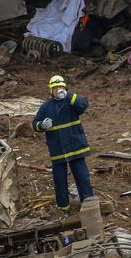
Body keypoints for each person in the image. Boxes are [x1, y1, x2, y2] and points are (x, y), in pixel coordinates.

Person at [33, 75, 94, 212]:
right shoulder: (46, 106)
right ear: (51, 90)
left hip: (75, 147)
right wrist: (41, 125)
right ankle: (63, 208)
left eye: (60, 87)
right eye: (55, 88)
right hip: (58, 150)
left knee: (82, 177)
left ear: (65, 88)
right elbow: (34, 123)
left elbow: (83, 105)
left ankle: (89, 205)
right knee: (60, 181)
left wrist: (69, 96)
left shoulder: (71, 101)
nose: (58, 90)